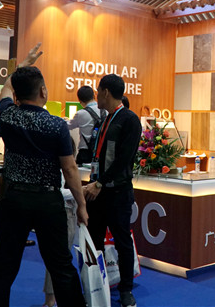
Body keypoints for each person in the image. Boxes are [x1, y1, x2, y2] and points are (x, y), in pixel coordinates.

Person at [0, 43, 88, 307]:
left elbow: (6, 87)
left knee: (3, 266)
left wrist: (23, 65)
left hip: (14, 199)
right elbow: (69, 169)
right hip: (47, 201)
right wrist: (81, 204)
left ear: (17, 94)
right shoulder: (56, 125)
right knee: (61, 265)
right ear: (43, 91)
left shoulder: (8, 115)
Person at [83, 74, 142, 307]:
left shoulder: (129, 120)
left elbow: (124, 159)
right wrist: (95, 182)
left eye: (98, 91)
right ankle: (97, 286)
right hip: (97, 192)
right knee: (94, 240)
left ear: (106, 92)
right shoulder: (103, 120)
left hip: (118, 193)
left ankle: (126, 290)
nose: (96, 95)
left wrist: (99, 183)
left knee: (122, 242)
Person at [66, 86, 105, 166]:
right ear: (94, 96)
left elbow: (68, 126)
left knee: (82, 173)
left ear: (80, 101)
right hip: (102, 152)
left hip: (85, 153)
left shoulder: (81, 113)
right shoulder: (105, 111)